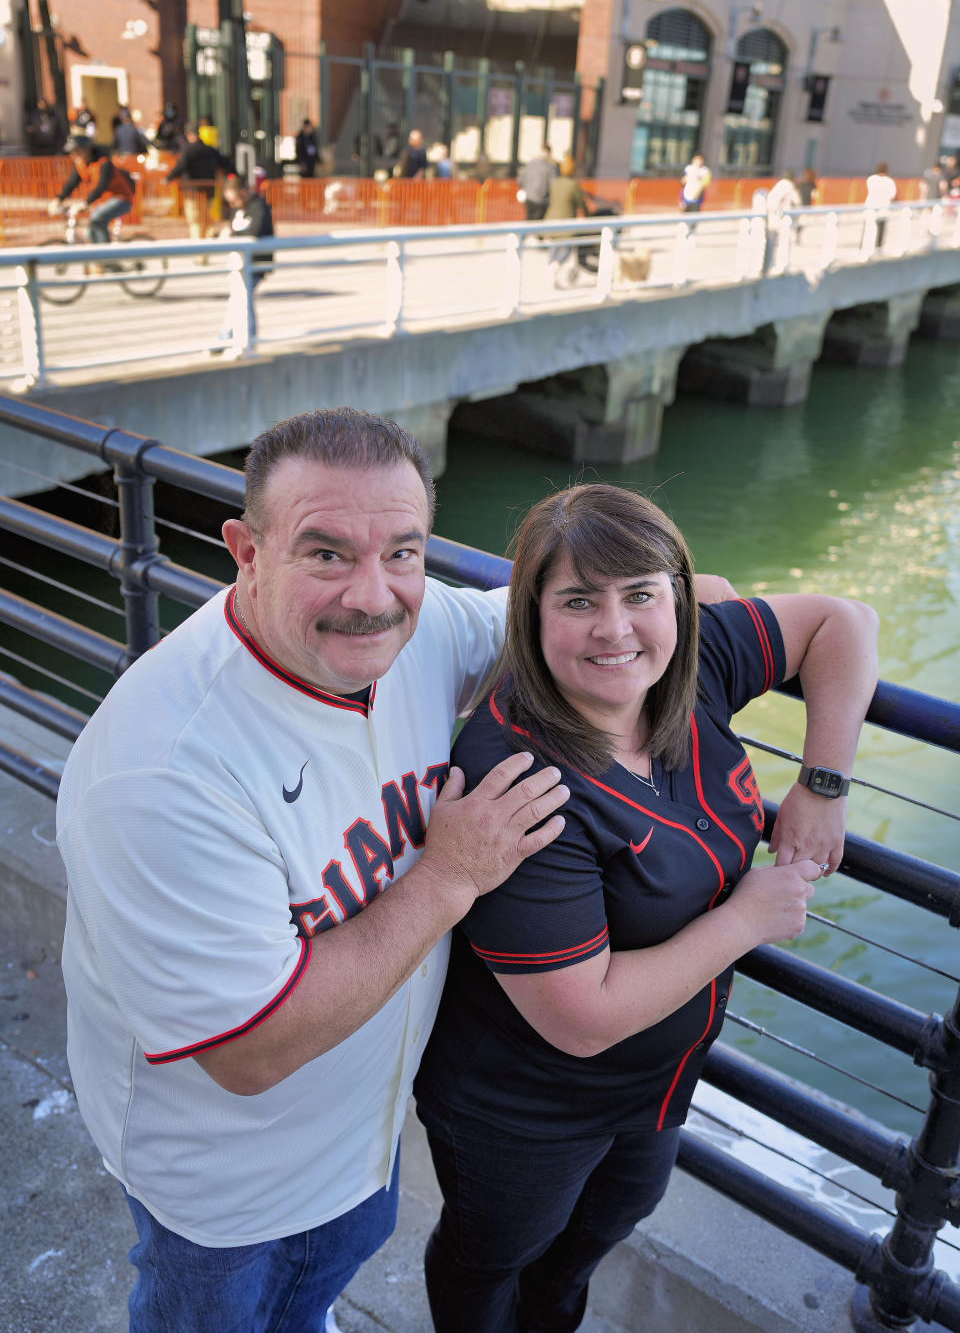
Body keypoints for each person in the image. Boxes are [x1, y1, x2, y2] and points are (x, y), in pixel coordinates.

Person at [55, 406, 576, 1333]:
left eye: (404, 553)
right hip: (226, 1191)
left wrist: (697, 619)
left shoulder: (418, 632)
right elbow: (250, 1052)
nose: (373, 595)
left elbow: (575, 618)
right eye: (325, 553)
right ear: (245, 552)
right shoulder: (162, 769)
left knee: (320, 1284)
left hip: (365, 1137)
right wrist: (450, 878)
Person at [414, 482, 879, 1333]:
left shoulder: (690, 667)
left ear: (677, 597)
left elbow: (841, 622)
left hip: (656, 1082)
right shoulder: (519, 778)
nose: (615, 629)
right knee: (491, 1261)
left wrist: (822, 784)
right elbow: (582, 1017)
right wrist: (746, 919)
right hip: (523, 1104)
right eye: (578, 601)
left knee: (591, 1242)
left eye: (640, 595)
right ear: (532, 614)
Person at [214, 174, 275, 349]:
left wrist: (232, 235)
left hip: (255, 263)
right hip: (237, 262)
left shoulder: (258, 206)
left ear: (243, 192)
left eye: (234, 200)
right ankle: (233, 337)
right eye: (230, 202)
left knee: (242, 297)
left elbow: (254, 232)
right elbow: (233, 228)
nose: (232, 205)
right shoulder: (236, 209)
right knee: (238, 298)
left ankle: (238, 337)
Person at [48, 135, 136, 248]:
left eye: (76, 151)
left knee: (97, 218)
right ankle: (97, 256)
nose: (73, 156)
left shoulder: (103, 162)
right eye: (72, 152)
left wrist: (85, 203)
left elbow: (101, 186)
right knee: (91, 228)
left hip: (121, 199)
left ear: (87, 150)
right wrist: (58, 199)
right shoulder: (81, 164)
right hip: (103, 201)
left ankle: (106, 257)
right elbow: (72, 183)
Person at [165, 123, 236, 242]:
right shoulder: (210, 150)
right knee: (206, 221)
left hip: (192, 193)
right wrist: (235, 174)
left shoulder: (187, 150)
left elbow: (180, 167)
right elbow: (226, 162)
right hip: (208, 192)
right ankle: (207, 245)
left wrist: (168, 178)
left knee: (195, 222)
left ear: (188, 135)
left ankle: (200, 252)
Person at [544, 154, 589, 285]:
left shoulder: (555, 183)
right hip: (566, 222)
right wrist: (588, 215)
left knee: (553, 249)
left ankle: (552, 272)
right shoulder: (573, 185)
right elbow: (581, 203)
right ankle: (554, 267)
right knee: (566, 250)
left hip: (551, 221)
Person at [763, 170, 802, 270]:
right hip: (783, 218)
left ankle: (768, 264)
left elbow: (771, 201)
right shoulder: (789, 186)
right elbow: (797, 201)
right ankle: (782, 264)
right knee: (784, 241)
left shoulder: (778, 185)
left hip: (773, 216)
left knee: (770, 241)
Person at [517, 143, 557, 221]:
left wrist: (525, 188)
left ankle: (524, 232)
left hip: (529, 196)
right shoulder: (550, 166)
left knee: (529, 218)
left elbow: (520, 179)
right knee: (537, 222)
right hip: (541, 199)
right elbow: (553, 184)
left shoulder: (530, 163)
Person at [864, 160, 897, 251]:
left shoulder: (871, 179)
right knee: (881, 229)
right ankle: (878, 248)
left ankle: (863, 246)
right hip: (884, 206)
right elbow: (892, 195)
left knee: (868, 227)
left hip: (870, 205)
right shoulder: (890, 181)